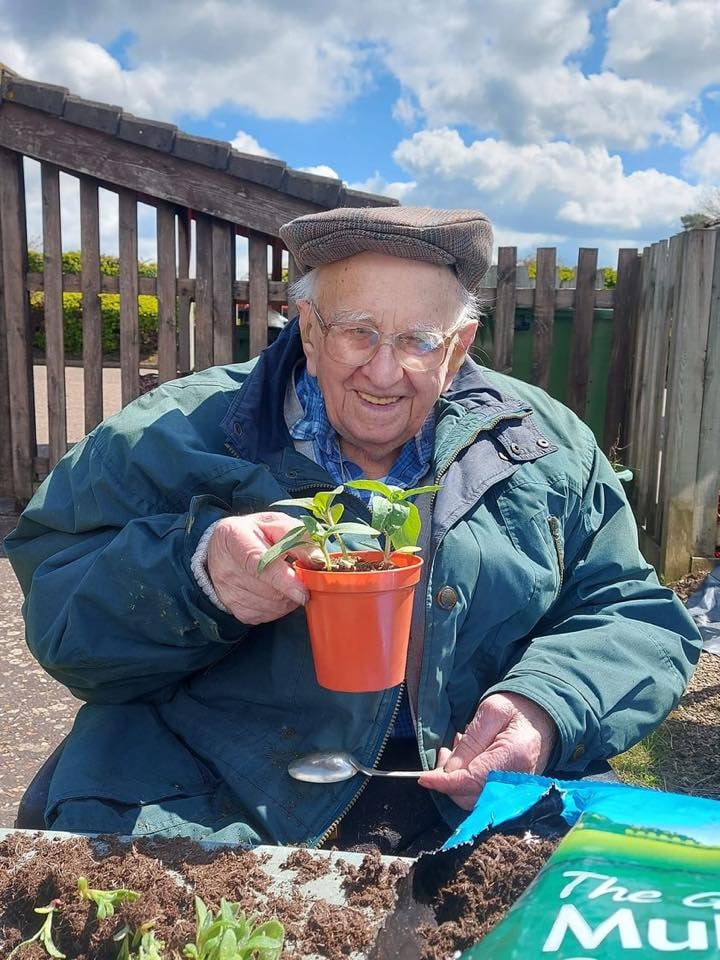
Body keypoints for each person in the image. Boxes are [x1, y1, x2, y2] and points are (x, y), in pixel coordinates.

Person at [6, 207, 701, 851]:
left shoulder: (545, 447)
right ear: (307, 328)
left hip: (476, 795)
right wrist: (195, 577)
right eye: (358, 332)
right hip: (206, 792)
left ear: (457, 348)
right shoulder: (167, 435)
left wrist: (545, 706)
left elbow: (634, 613)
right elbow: (62, 619)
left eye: (418, 341)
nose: (384, 371)